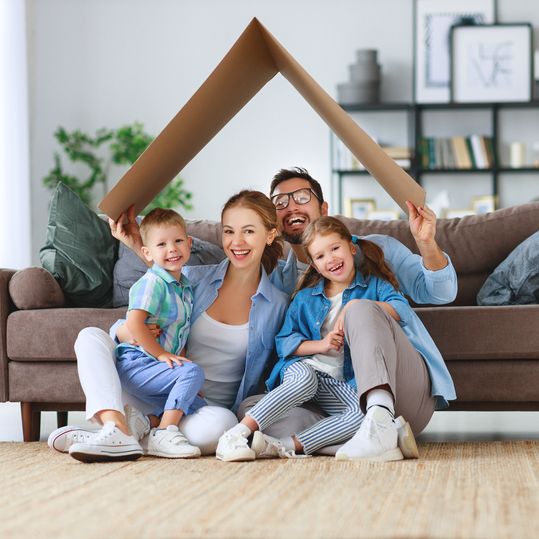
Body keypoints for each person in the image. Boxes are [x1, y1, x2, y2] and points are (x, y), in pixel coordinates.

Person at [49, 191, 289, 461]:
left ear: (270, 235)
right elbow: (158, 283)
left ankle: (127, 432)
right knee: (90, 337)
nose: (237, 242)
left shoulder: (279, 304)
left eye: (248, 231)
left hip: (200, 409)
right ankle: (116, 425)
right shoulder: (194, 279)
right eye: (229, 231)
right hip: (153, 385)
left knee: (222, 426)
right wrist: (123, 331)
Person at [238, 167, 458, 453]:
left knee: (360, 309)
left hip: (400, 391)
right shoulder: (278, 280)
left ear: (323, 207)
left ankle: (378, 418)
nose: (291, 206)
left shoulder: (378, 251)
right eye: (280, 202)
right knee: (252, 408)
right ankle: (352, 439)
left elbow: (441, 293)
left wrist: (426, 242)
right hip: (332, 398)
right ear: (274, 222)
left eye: (302, 197)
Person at [100, 208, 203, 460]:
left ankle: (145, 423)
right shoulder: (152, 282)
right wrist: (161, 354)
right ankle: (165, 433)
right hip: (137, 363)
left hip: (156, 367)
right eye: (162, 244)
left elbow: (181, 334)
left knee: (199, 405)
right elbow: (134, 324)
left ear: (189, 244)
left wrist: (179, 368)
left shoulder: (185, 288)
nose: (172, 249)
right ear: (147, 252)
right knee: (194, 372)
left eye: (178, 241)